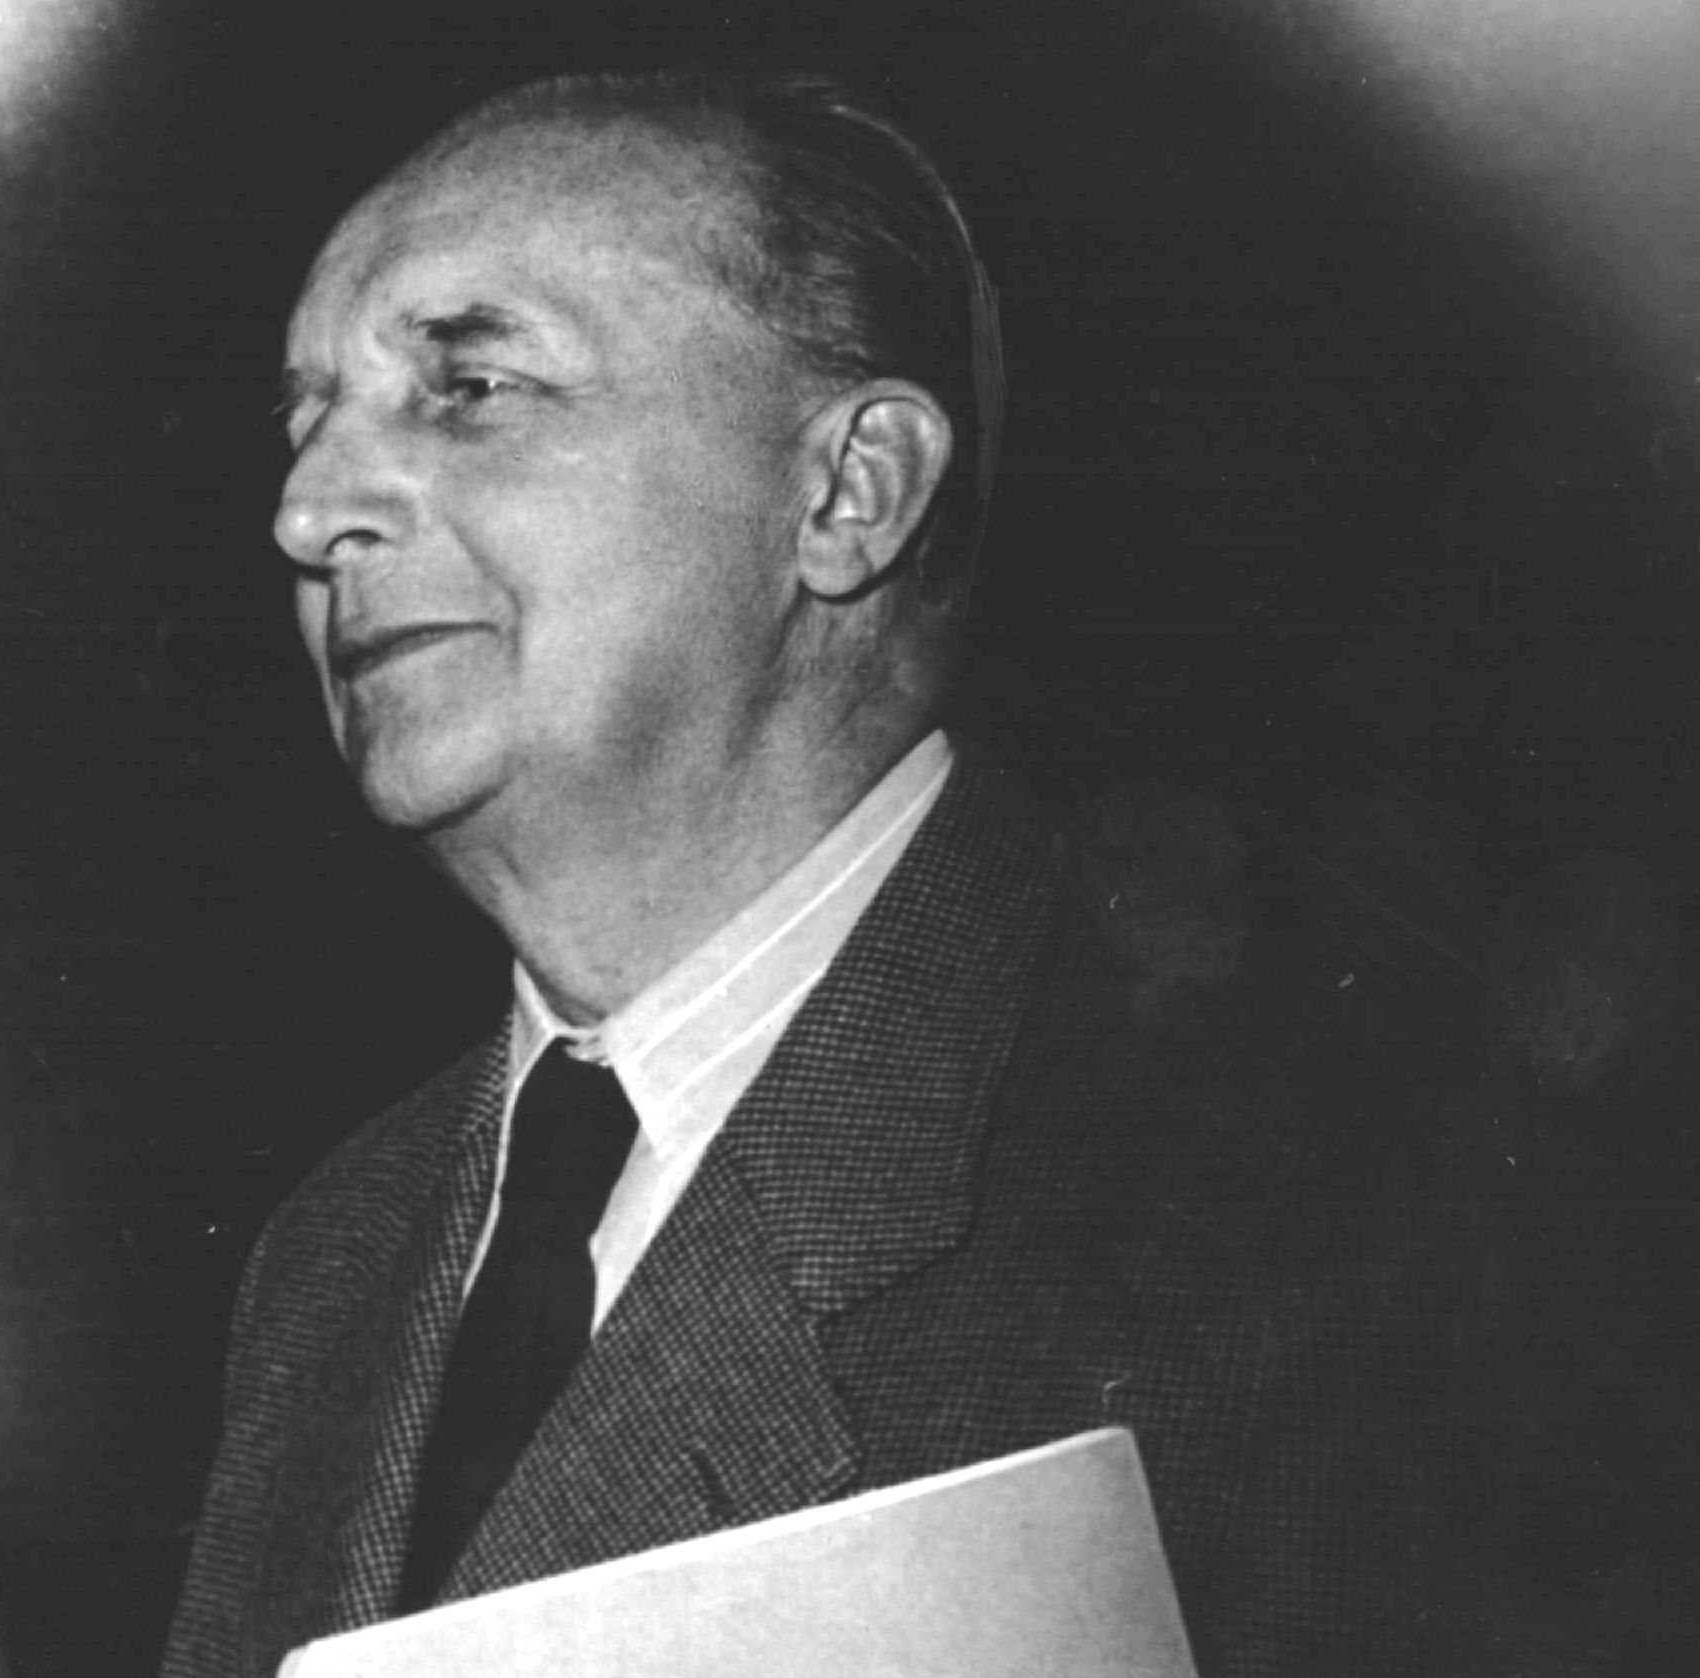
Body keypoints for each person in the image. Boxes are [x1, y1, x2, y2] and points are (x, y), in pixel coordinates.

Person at [163, 68, 1485, 1677]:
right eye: (307, 418)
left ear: (849, 493)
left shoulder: (1324, 1205)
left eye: (472, 387)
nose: (308, 510)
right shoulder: (335, 1254)